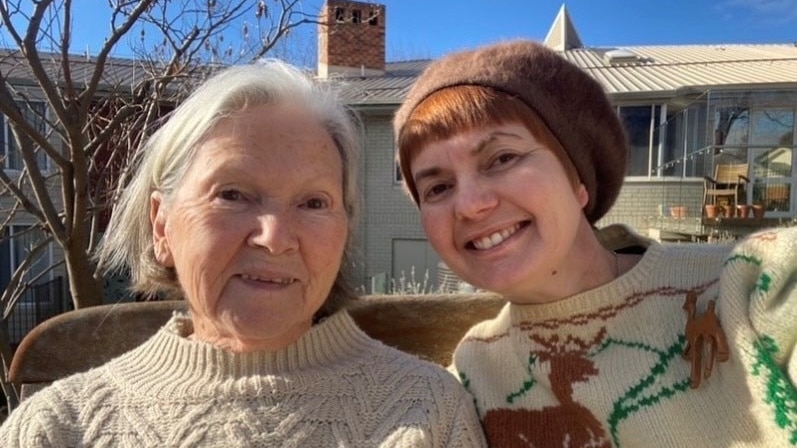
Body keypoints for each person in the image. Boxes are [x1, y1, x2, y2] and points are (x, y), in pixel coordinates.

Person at [0, 60, 487, 447]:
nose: (275, 237)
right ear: (161, 226)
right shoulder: (57, 430)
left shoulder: (426, 413)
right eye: (232, 194)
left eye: (313, 203)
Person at [393, 39, 797, 447]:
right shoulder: (473, 374)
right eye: (438, 187)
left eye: (502, 158)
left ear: (578, 180)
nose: (471, 205)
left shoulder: (755, 284)